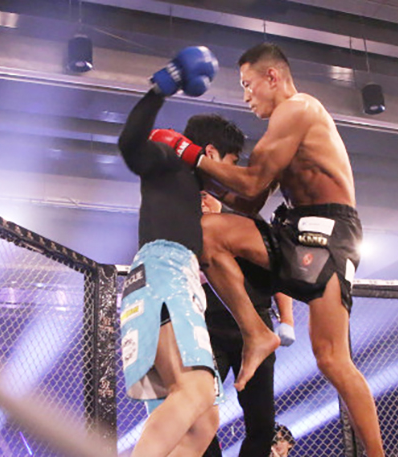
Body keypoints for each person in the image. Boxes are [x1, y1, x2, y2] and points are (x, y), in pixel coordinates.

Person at [159, 43, 385, 456]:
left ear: (272, 77)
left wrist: (190, 155)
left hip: (330, 233)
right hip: (293, 229)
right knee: (207, 233)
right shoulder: (280, 129)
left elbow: (250, 181)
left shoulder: (299, 110)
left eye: (247, 84)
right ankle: (256, 332)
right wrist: (195, 176)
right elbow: (249, 202)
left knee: (332, 358)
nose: (245, 96)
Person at [117, 46, 245, 457]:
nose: (229, 173)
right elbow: (130, 146)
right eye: (230, 162)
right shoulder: (173, 162)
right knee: (196, 390)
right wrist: (159, 90)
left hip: (166, 282)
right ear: (211, 153)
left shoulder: (193, 189)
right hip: (163, 274)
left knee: (203, 421)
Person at [200, 191, 295, 457]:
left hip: (255, 326)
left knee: (262, 420)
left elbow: (277, 273)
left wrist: (287, 320)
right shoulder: (188, 232)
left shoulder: (244, 224)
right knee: (198, 410)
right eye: (194, 197)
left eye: (205, 195)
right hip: (207, 329)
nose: (201, 203)